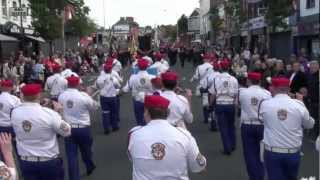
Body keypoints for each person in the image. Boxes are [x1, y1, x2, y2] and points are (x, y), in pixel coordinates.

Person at [128, 95, 206, 180]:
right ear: (168, 113)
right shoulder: (184, 135)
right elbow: (199, 168)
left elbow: (133, 158)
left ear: (146, 112)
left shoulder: (133, 134)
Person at [11, 84, 71, 180]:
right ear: (39, 95)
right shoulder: (49, 114)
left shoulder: (15, 112)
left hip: (26, 162)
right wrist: (59, 111)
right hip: (48, 162)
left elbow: (29, 111)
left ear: (22, 96)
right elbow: (67, 131)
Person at [259, 77, 314, 180]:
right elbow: (310, 124)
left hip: (272, 152)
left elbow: (261, 119)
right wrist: (302, 103)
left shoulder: (265, 104)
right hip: (292, 152)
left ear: (273, 88)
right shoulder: (298, 105)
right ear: (288, 89)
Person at [58, 76, 98, 180]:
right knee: (86, 150)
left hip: (68, 128)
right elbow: (94, 107)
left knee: (71, 155)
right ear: (77, 84)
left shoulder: (61, 96)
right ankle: (89, 165)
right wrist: (90, 96)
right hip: (83, 127)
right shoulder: (83, 96)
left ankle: (74, 177)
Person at [238, 72, 272, 180]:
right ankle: (260, 175)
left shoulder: (242, 92)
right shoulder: (266, 93)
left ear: (249, 80)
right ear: (259, 81)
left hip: (247, 125)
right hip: (262, 125)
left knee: (249, 153)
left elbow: (237, 104)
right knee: (262, 153)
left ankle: (254, 176)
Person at [209, 60, 238, 155]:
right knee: (231, 125)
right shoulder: (234, 79)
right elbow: (236, 94)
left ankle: (227, 148)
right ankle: (233, 144)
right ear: (229, 67)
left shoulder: (216, 79)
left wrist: (210, 104)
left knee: (223, 127)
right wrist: (236, 105)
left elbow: (213, 94)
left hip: (220, 104)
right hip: (230, 104)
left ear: (221, 68)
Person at [123, 59, 155, 125]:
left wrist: (117, 94)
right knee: (151, 120)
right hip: (150, 101)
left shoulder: (133, 77)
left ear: (138, 67)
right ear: (147, 67)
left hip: (137, 101)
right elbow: (159, 90)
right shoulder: (153, 77)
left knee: (139, 120)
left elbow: (126, 89)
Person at [96, 62, 121, 134]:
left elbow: (97, 86)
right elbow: (118, 86)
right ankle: (114, 126)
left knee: (105, 112)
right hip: (112, 97)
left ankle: (106, 128)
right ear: (110, 70)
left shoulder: (99, 78)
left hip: (103, 97)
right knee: (113, 112)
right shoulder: (113, 78)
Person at [191, 54, 214, 123]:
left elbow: (197, 77)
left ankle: (206, 117)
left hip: (203, 85)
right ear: (209, 59)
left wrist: (192, 79)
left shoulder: (199, 67)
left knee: (205, 101)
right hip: (212, 85)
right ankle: (211, 115)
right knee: (211, 101)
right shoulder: (213, 67)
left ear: (204, 59)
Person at [306, 61, 319, 138]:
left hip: (317, 101)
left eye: (314, 67)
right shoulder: (310, 76)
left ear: (318, 66)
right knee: (314, 119)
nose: (312, 68)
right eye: (311, 67)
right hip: (312, 101)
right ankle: (315, 134)